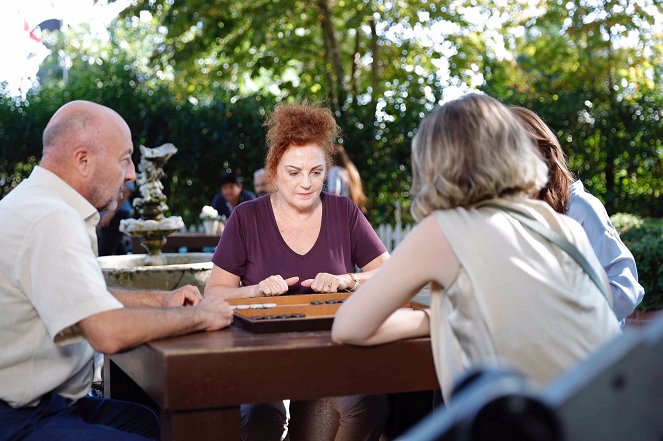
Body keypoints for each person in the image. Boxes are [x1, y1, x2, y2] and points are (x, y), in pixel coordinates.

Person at [332, 93, 621, 404]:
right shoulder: (563, 227)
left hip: (539, 420)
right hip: (614, 406)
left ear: (434, 164)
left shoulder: (444, 229)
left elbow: (348, 327)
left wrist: (434, 318)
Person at [0, 100, 234, 441]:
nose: (132, 175)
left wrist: (161, 300)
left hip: (48, 405)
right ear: (83, 161)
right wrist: (204, 316)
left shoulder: (36, 202)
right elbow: (106, 332)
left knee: (146, 421)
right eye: (124, 159)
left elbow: (84, 298)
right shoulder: (51, 218)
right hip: (20, 418)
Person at [205, 102, 390, 440]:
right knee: (263, 416)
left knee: (366, 404)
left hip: (328, 357)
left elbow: (387, 274)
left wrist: (347, 280)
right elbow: (213, 294)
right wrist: (256, 289)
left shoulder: (344, 211)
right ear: (274, 170)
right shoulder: (246, 217)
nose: (306, 183)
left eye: (316, 172)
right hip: (263, 360)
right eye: (293, 172)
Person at [511, 106, 645, 325]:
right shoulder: (512, 217)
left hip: (593, 349)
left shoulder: (580, 207)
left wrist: (570, 322)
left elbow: (625, 288)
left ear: (545, 153)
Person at [327, 144, 368, 213]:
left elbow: (334, 195)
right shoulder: (351, 172)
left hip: (339, 212)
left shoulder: (335, 171)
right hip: (350, 212)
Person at [98, 181, 135, 255]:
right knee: (118, 250)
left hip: (116, 214)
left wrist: (111, 212)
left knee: (104, 253)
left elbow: (127, 189)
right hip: (107, 215)